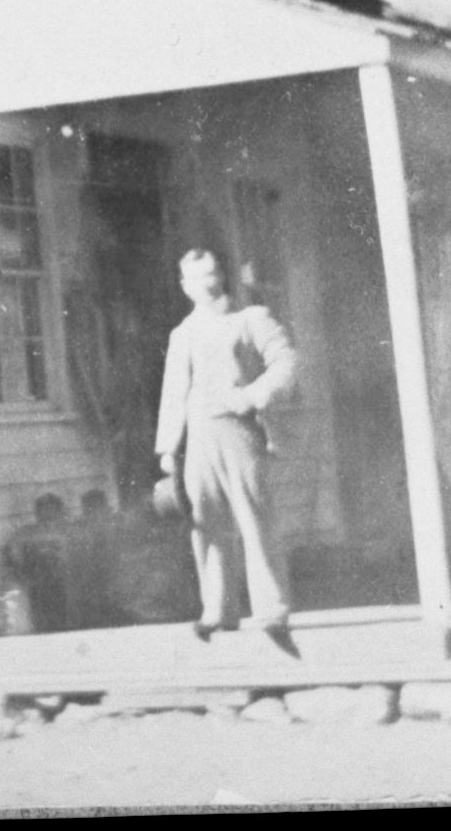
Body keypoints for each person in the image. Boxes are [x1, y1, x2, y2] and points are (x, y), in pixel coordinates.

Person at [153, 244, 299, 648]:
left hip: (240, 429)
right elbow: (174, 393)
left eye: (212, 273)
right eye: (195, 277)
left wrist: (252, 395)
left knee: (255, 518)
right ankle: (218, 610)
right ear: (185, 286)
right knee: (206, 523)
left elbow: (286, 362)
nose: (206, 283)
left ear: (223, 276)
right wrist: (168, 449)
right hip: (198, 436)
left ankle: (271, 610)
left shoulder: (251, 319)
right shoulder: (183, 334)